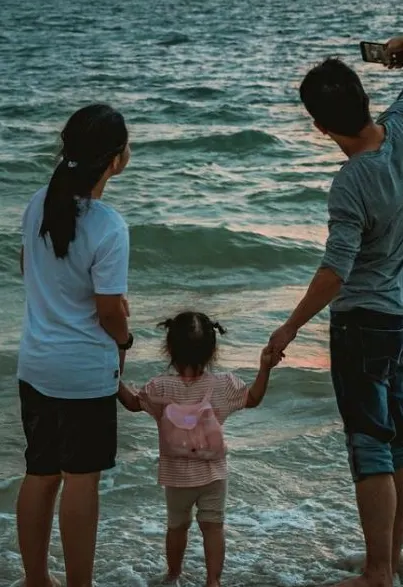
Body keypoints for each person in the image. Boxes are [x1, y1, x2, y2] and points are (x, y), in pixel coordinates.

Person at [268, 47, 403, 587]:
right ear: (366, 98)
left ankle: (376, 572)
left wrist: (289, 326)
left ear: (320, 127)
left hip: (364, 324)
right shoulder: (397, 129)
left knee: (370, 444)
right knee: (397, 441)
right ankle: (391, 559)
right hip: (399, 315)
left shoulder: (351, 182)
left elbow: (335, 272)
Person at [17, 104, 133, 587]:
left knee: (41, 474)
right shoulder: (108, 225)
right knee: (81, 480)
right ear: (115, 160)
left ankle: (36, 579)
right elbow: (109, 312)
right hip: (83, 373)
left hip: (36, 365)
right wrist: (126, 337)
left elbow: (28, 269)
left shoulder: (37, 202)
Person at [118, 310, 281, 587]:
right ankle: (213, 581)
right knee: (213, 526)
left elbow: (133, 403)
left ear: (169, 348)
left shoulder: (160, 387)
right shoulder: (223, 385)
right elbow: (252, 398)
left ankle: (173, 575)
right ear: (212, 350)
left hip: (176, 477)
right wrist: (265, 367)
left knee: (177, 527)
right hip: (213, 475)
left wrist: (112, 378)